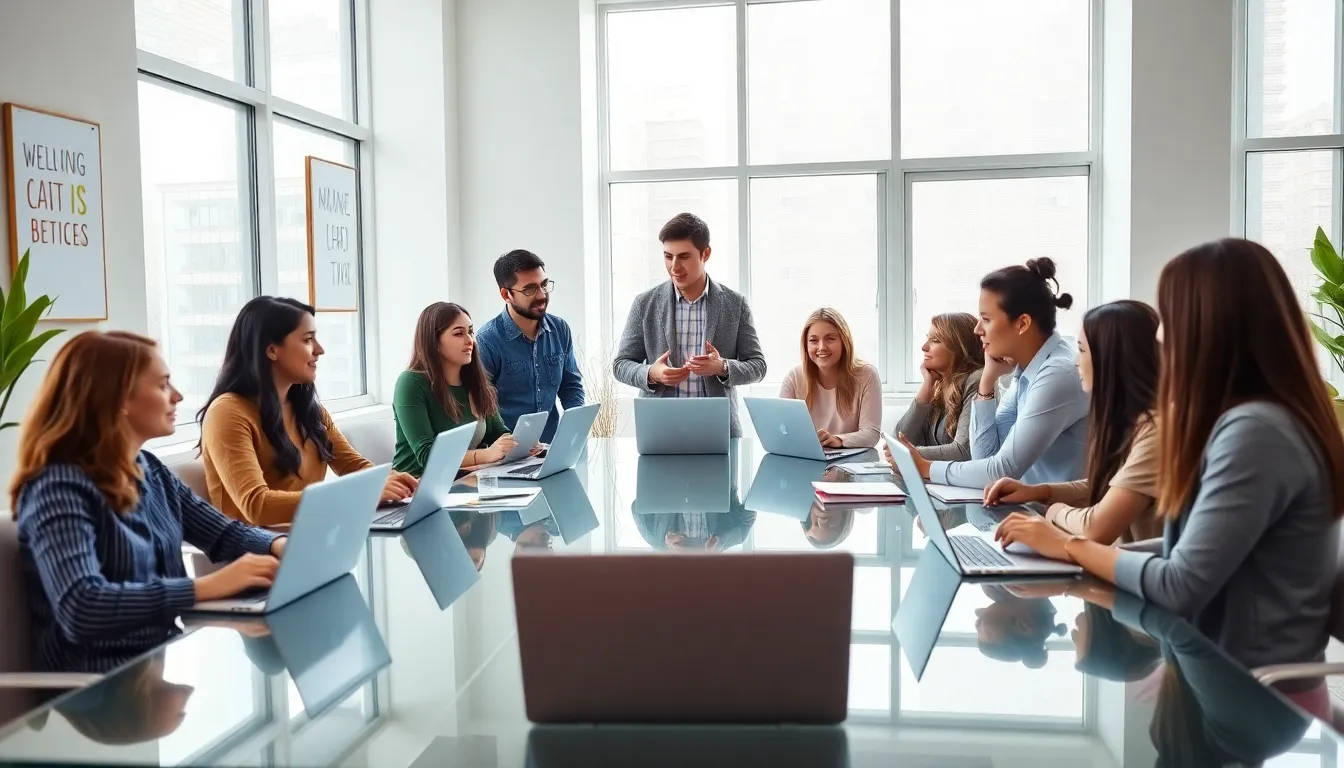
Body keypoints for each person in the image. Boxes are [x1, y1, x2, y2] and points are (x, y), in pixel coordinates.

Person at [996, 238, 1344, 672]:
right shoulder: (1253, 419)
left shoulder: (1254, 431)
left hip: (1249, 686)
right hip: (1225, 668)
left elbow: (1181, 583)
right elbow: (1190, 549)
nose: (1158, 336)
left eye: (1169, 318)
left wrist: (1070, 544)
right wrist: (1071, 538)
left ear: (1207, 330)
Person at [13, 331, 286, 673]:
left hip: (160, 664)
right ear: (117, 399)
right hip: (97, 692)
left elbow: (223, 534)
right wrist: (204, 587)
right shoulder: (57, 489)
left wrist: (278, 544)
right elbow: (82, 607)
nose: (178, 396)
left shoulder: (149, 468)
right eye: (162, 385)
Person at [199, 296, 416, 526]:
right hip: (258, 552)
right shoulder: (227, 413)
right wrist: (361, 495)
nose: (320, 350)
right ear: (272, 350)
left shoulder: (309, 410)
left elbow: (353, 466)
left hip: (310, 536)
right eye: (308, 339)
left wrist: (395, 482)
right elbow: (257, 506)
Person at [896, 258, 1087, 487]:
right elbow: (985, 456)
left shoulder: (1057, 374)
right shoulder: (1027, 371)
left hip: (1053, 515)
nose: (978, 330)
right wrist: (987, 380)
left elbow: (1002, 470)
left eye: (985, 319)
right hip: (1025, 509)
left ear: (1022, 324)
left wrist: (927, 468)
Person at [985, 300, 1162, 544]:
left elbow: (1095, 528)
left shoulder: (1156, 431)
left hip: (1131, 573)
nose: (1076, 361)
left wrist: (1051, 511)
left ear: (1110, 358)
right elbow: (1108, 487)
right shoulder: (1128, 421)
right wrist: (1040, 492)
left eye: (1082, 350)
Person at [612, 212, 767, 437]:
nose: (674, 266)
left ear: (705, 254)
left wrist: (722, 367)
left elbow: (758, 366)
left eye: (684, 256)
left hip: (718, 429)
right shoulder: (645, 304)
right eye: (668, 256)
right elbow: (621, 364)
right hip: (659, 428)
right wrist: (651, 373)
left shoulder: (735, 304)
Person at [393, 302, 532, 475]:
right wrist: (486, 454)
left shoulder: (476, 383)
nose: (470, 340)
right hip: (416, 487)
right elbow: (427, 455)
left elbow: (498, 433)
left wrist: (521, 446)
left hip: (466, 480)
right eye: (459, 333)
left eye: (471, 332)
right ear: (433, 340)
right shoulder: (411, 383)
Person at [475, 249, 585, 442]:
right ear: (506, 294)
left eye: (544, 285)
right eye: (530, 289)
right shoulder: (487, 340)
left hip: (550, 448)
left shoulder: (560, 329)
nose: (541, 295)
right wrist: (511, 446)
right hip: (505, 454)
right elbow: (484, 406)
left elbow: (571, 386)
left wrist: (575, 431)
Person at [779, 308, 881, 449]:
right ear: (806, 345)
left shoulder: (867, 375)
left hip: (850, 463)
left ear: (844, 341)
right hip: (807, 459)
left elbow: (871, 433)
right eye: (814, 340)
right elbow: (780, 428)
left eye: (830, 339)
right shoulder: (794, 377)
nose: (821, 347)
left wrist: (838, 440)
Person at [892, 312, 985, 460]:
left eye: (935, 340)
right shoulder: (941, 385)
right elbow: (900, 440)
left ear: (959, 346)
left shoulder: (977, 380)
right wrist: (927, 386)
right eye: (927, 338)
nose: (924, 347)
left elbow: (964, 451)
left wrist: (909, 454)